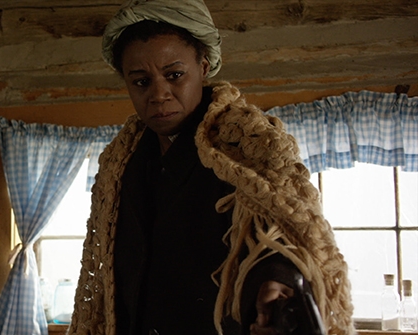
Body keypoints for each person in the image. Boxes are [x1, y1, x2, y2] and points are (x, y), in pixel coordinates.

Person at [68, 1, 355, 334]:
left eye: (174, 75)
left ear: (203, 68)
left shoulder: (250, 147)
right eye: (141, 82)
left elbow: (284, 237)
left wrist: (274, 282)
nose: (159, 94)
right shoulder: (119, 165)